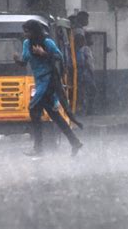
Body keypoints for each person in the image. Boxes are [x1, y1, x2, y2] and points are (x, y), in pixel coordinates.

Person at [13, 20, 83, 156]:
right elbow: (24, 61)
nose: (25, 34)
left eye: (27, 31)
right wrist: (17, 60)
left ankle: (38, 148)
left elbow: (59, 57)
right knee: (54, 115)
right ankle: (75, 142)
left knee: (33, 110)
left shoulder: (47, 43)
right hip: (39, 81)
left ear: (34, 31)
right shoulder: (27, 44)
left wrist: (43, 53)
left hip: (49, 80)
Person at [73, 34, 97, 115]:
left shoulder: (74, 50)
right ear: (83, 41)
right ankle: (89, 111)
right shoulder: (86, 49)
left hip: (78, 76)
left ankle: (81, 110)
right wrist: (92, 73)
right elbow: (90, 63)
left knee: (81, 93)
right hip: (87, 75)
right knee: (91, 92)